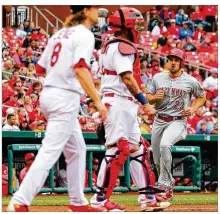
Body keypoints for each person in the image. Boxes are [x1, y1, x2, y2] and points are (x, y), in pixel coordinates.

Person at [7, 5, 107, 212]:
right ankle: (20, 200)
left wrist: (57, 80)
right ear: (86, 11)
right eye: (95, 8)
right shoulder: (84, 34)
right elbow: (80, 67)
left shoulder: (59, 33)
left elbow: (40, 68)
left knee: (77, 150)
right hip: (63, 96)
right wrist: (97, 100)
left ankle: (78, 202)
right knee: (50, 150)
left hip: (51, 93)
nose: (97, 12)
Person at [90, 7, 167, 212]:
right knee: (118, 149)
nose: (140, 28)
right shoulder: (122, 46)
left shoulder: (112, 44)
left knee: (138, 149)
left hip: (122, 102)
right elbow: (126, 77)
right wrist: (145, 103)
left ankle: (146, 198)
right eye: (137, 24)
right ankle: (99, 200)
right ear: (126, 26)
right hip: (119, 102)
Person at [146, 47, 206, 202]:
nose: (173, 62)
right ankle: (167, 188)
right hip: (159, 120)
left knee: (165, 145)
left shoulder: (190, 81)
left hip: (177, 121)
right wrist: (153, 98)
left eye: (176, 60)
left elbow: (202, 97)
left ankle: (165, 183)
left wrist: (192, 108)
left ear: (182, 62)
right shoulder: (158, 77)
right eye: (171, 59)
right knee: (157, 159)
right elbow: (147, 97)